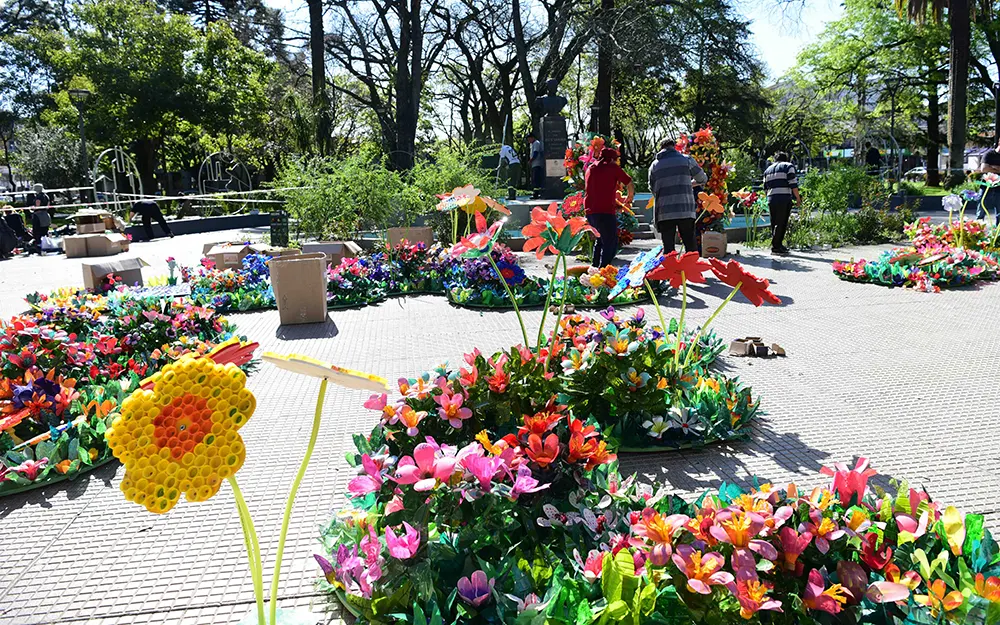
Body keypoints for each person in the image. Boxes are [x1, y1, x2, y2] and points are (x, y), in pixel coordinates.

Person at [649, 138, 707, 254]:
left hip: (665, 211)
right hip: (685, 210)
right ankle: (691, 269)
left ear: (661, 148)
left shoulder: (654, 165)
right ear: (674, 146)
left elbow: (652, 188)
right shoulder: (686, 160)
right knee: (690, 245)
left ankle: (671, 271)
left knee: (669, 248)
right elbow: (702, 178)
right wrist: (688, 184)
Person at [584, 147, 634, 267]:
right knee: (611, 241)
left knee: (600, 240)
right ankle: (604, 270)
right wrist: (630, 197)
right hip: (605, 210)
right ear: (612, 159)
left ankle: (595, 267)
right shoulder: (612, 167)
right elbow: (629, 182)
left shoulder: (591, 168)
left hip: (590, 210)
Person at [762, 151, 801, 255]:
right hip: (783, 197)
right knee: (782, 222)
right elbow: (793, 183)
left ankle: (777, 245)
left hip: (771, 198)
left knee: (774, 222)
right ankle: (777, 246)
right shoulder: (788, 166)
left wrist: (769, 197)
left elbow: (765, 187)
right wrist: (797, 198)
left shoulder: (767, 170)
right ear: (786, 158)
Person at [976, 140, 1000, 223]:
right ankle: (977, 232)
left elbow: (988, 168)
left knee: (999, 213)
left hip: (999, 188)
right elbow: (984, 169)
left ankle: (998, 234)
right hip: (986, 186)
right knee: (981, 211)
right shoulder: (989, 154)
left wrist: (993, 167)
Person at [29, 185, 52, 254]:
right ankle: (46, 246)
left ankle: (39, 247)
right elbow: (47, 206)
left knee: (37, 233)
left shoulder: (38, 197)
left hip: (38, 216)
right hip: (46, 215)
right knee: (45, 231)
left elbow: (37, 206)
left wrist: (32, 208)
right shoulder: (46, 196)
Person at [526, 133, 544, 199]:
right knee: (534, 179)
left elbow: (535, 153)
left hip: (537, 163)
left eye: (529, 139)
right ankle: (536, 193)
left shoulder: (536, 143)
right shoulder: (532, 144)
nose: (529, 140)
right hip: (534, 164)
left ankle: (536, 194)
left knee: (536, 179)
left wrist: (531, 160)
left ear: (532, 137)